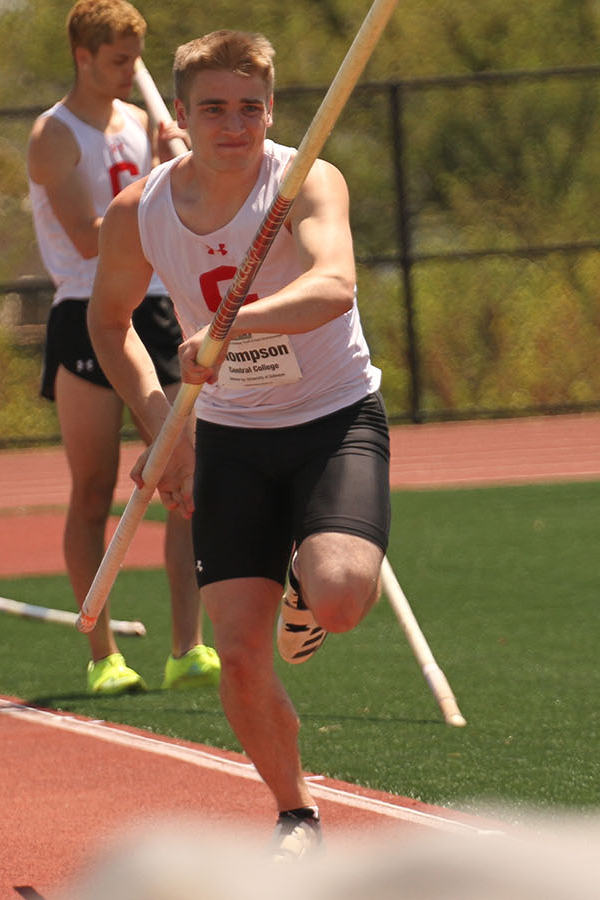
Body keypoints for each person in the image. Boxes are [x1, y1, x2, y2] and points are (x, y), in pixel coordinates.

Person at [86, 29, 390, 859]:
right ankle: (297, 813)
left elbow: (334, 284)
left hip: (332, 416)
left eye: (250, 108)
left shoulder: (305, 179)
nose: (235, 125)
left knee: (339, 598)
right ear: (180, 113)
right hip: (229, 432)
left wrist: (230, 324)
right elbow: (107, 324)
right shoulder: (140, 211)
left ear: (271, 109)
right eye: (214, 109)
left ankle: (307, 578)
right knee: (241, 653)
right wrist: (161, 423)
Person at [26, 0, 219, 696]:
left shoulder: (140, 124)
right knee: (93, 489)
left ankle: (185, 647)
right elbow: (91, 235)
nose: (129, 70)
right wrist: (168, 179)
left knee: (183, 474)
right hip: (86, 311)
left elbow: (187, 215)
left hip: (158, 309)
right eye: (117, 60)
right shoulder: (55, 134)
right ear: (83, 56)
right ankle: (104, 653)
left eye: (136, 58)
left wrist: (182, 161)